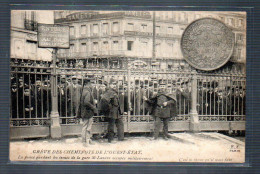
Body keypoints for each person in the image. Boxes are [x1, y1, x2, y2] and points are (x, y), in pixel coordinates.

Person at [100, 78, 124, 143]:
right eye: (113, 84)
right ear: (110, 85)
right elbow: (104, 100)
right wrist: (109, 107)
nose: (114, 85)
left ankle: (121, 138)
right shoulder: (109, 91)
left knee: (120, 124)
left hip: (117, 111)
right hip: (112, 111)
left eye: (115, 84)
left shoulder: (114, 91)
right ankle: (110, 139)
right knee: (111, 126)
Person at [78, 78, 97, 147]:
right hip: (88, 112)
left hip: (85, 111)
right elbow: (86, 102)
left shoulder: (84, 90)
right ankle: (86, 141)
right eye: (90, 83)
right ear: (87, 84)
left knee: (85, 126)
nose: (91, 85)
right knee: (87, 127)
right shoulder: (87, 92)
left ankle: (86, 140)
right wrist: (93, 106)